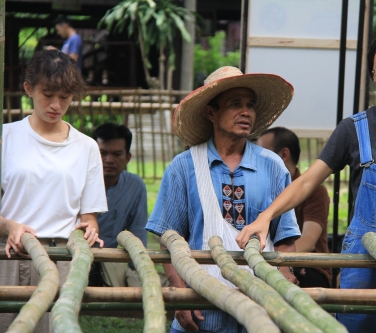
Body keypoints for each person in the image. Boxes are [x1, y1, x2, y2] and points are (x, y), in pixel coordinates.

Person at [237, 30, 376, 333]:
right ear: (373, 73)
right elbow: (306, 183)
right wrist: (265, 217)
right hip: (363, 257)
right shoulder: (352, 129)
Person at [146, 66, 301, 333]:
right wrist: (180, 295)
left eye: (250, 105)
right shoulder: (184, 167)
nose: (246, 112)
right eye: (235, 104)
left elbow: (285, 240)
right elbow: (166, 244)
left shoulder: (272, 166)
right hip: (201, 312)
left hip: (258, 312)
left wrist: (284, 280)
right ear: (211, 112)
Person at [0, 50, 107, 333]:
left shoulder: (86, 147)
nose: (56, 105)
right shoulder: (6, 138)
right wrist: (9, 225)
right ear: (29, 89)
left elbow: (90, 215)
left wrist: (90, 228)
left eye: (65, 97)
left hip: (60, 256)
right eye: (48, 94)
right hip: (8, 255)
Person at [257, 127, 332, 288]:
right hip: (271, 262)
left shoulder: (315, 191)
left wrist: (269, 259)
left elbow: (308, 241)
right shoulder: (262, 190)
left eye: (263, 154)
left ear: (284, 154)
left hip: (309, 268)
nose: (257, 160)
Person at [89, 123, 148, 287]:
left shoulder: (135, 187)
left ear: (128, 158)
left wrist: (139, 269)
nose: (108, 160)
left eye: (116, 154)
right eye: (102, 153)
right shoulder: (76, 182)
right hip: (74, 255)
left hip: (109, 260)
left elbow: (139, 233)